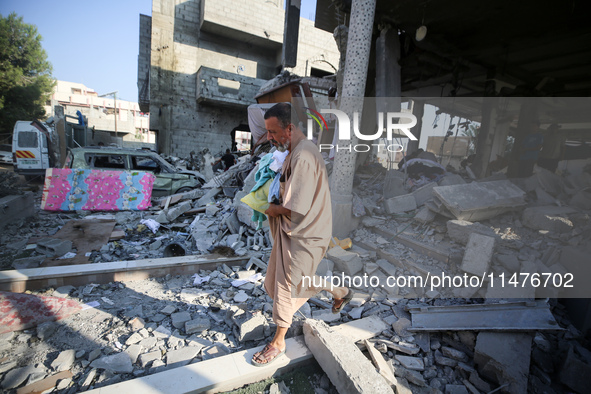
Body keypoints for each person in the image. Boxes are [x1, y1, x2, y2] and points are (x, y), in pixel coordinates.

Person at [251, 103, 351, 366]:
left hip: (304, 233)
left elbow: (297, 206)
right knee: (278, 281)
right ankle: (339, 291)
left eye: (273, 132)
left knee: (287, 286)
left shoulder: (303, 155)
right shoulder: (297, 151)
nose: (269, 137)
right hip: (295, 230)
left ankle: (278, 341)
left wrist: (271, 209)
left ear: (290, 128)